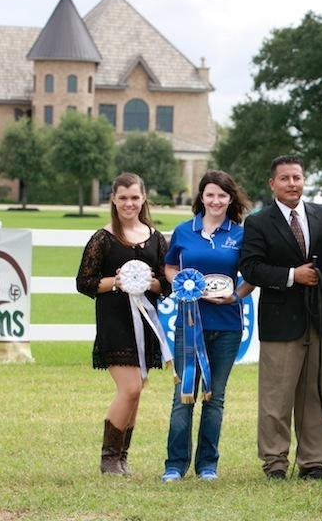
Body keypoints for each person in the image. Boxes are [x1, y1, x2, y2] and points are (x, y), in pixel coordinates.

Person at [239, 155, 322, 481]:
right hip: (280, 322)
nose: (292, 184)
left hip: (318, 320)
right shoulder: (259, 222)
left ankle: (313, 463)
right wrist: (292, 275)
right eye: (285, 178)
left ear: (305, 180)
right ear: (272, 184)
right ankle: (275, 463)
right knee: (276, 398)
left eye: (297, 177)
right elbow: (251, 267)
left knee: (316, 395)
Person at [161, 170, 255, 482]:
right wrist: (183, 284)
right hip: (188, 325)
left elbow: (252, 275)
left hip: (227, 327)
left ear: (231, 199)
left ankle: (207, 466)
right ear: (201, 197)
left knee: (214, 397)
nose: (216, 201)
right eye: (210, 194)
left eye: (222, 196)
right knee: (183, 395)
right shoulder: (183, 231)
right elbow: (170, 266)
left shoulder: (240, 235)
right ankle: (174, 465)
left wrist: (235, 297)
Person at [76, 172, 170, 475]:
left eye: (134, 197)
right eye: (123, 198)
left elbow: (164, 284)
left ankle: (121, 458)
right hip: (114, 322)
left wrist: (153, 285)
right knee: (129, 389)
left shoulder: (156, 238)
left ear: (143, 199)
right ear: (113, 200)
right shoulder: (102, 238)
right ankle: (109, 459)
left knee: (137, 390)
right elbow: (84, 282)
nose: (129, 203)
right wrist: (115, 282)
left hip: (145, 325)